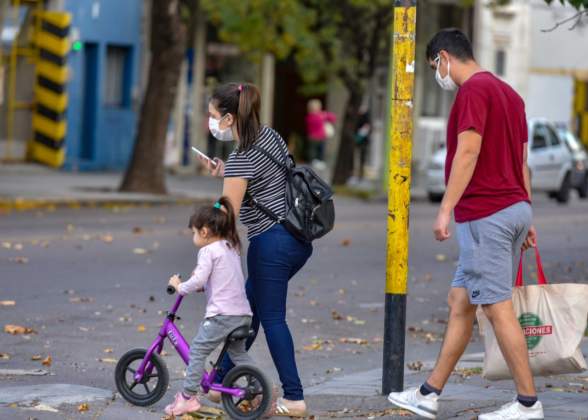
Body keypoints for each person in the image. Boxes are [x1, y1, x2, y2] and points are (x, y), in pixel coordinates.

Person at [387, 29, 543, 420]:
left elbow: (469, 150)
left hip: (486, 214)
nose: (438, 75)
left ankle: (528, 403)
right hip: (511, 207)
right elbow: (522, 160)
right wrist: (526, 211)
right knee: (461, 302)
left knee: (495, 306)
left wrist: (445, 209)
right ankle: (428, 393)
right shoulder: (510, 95)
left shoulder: (472, 92)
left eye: (434, 67)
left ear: (444, 58)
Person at [197, 82, 313, 417]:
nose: (211, 122)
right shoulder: (270, 137)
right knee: (247, 312)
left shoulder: (241, 157)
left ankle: (294, 398)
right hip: (297, 238)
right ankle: (220, 383)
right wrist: (226, 175)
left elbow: (227, 214)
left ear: (230, 117)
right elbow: (266, 182)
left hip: (271, 244)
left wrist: (205, 229)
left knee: (272, 317)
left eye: (213, 116)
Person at [164, 197, 254, 417]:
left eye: (194, 232)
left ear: (204, 231)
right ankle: (259, 386)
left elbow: (197, 280)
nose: (194, 237)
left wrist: (180, 286)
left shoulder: (208, 251)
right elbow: (222, 280)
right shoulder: (230, 246)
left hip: (222, 316)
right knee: (238, 354)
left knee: (197, 351)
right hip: (242, 314)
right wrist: (201, 286)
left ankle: (187, 398)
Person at [305, 98, 336, 169]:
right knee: (312, 151)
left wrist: (324, 114)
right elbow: (316, 123)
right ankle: (312, 162)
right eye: (313, 107)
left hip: (321, 136)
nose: (315, 109)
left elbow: (333, 118)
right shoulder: (310, 117)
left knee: (321, 150)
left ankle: (320, 162)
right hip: (313, 137)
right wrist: (322, 116)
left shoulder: (321, 114)